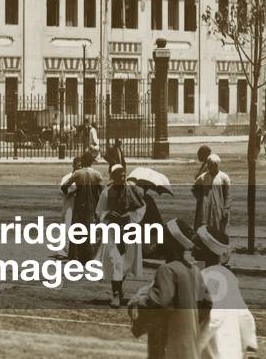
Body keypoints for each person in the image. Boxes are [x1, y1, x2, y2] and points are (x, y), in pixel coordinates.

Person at [128, 218, 211, 359]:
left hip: (167, 347)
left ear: (171, 242)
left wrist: (137, 301)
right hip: (189, 346)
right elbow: (207, 304)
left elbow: (160, 303)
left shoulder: (166, 270)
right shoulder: (194, 270)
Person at [193, 227, 257, 359]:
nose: (192, 251)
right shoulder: (229, 276)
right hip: (232, 350)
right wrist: (251, 345)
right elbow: (245, 314)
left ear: (206, 251)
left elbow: (215, 316)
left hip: (214, 351)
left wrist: (196, 348)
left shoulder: (207, 276)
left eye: (196, 247)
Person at [96, 163, 146, 307]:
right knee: (114, 261)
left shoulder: (132, 191)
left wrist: (129, 217)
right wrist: (109, 215)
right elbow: (100, 210)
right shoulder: (107, 192)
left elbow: (141, 207)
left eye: (124, 176)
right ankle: (116, 294)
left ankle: (119, 287)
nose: (122, 178)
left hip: (129, 230)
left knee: (126, 263)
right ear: (113, 177)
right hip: (113, 232)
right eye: (119, 176)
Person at [62, 151, 103, 263]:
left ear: (83, 161)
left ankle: (75, 255)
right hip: (92, 204)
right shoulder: (97, 174)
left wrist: (71, 192)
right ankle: (89, 255)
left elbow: (64, 187)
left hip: (80, 203)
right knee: (90, 229)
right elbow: (102, 191)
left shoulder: (78, 174)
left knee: (77, 228)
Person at [193, 154, 231, 234]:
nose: (212, 167)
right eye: (210, 165)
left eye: (214, 165)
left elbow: (228, 195)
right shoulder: (202, 178)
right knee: (203, 228)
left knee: (218, 229)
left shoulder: (224, 177)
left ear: (217, 165)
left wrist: (226, 209)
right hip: (205, 208)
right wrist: (199, 198)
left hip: (219, 208)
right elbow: (194, 189)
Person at [58, 156, 82, 257]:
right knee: (67, 227)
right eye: (78, 165)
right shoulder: (67, 178)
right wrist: (73, 191)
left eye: (82, 166)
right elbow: (62, 191)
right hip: (69, 206)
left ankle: (77, 251)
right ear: (74, 165)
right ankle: (65, 250)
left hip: (80, 206)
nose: (80, 167)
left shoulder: (83, 177)